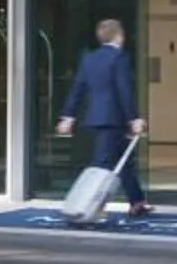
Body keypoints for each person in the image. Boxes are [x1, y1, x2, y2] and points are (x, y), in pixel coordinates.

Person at [57, 17, 151, 219]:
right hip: (113, 119)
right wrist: (133, 119)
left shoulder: (89, 59)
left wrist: (68, 116)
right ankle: (86, 207)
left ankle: (137, 202)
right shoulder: (119, 58)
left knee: (124, 161)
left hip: (95, 118)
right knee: (101, 165)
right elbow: (123, 90)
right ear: (119, 36)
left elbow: (77, 88)